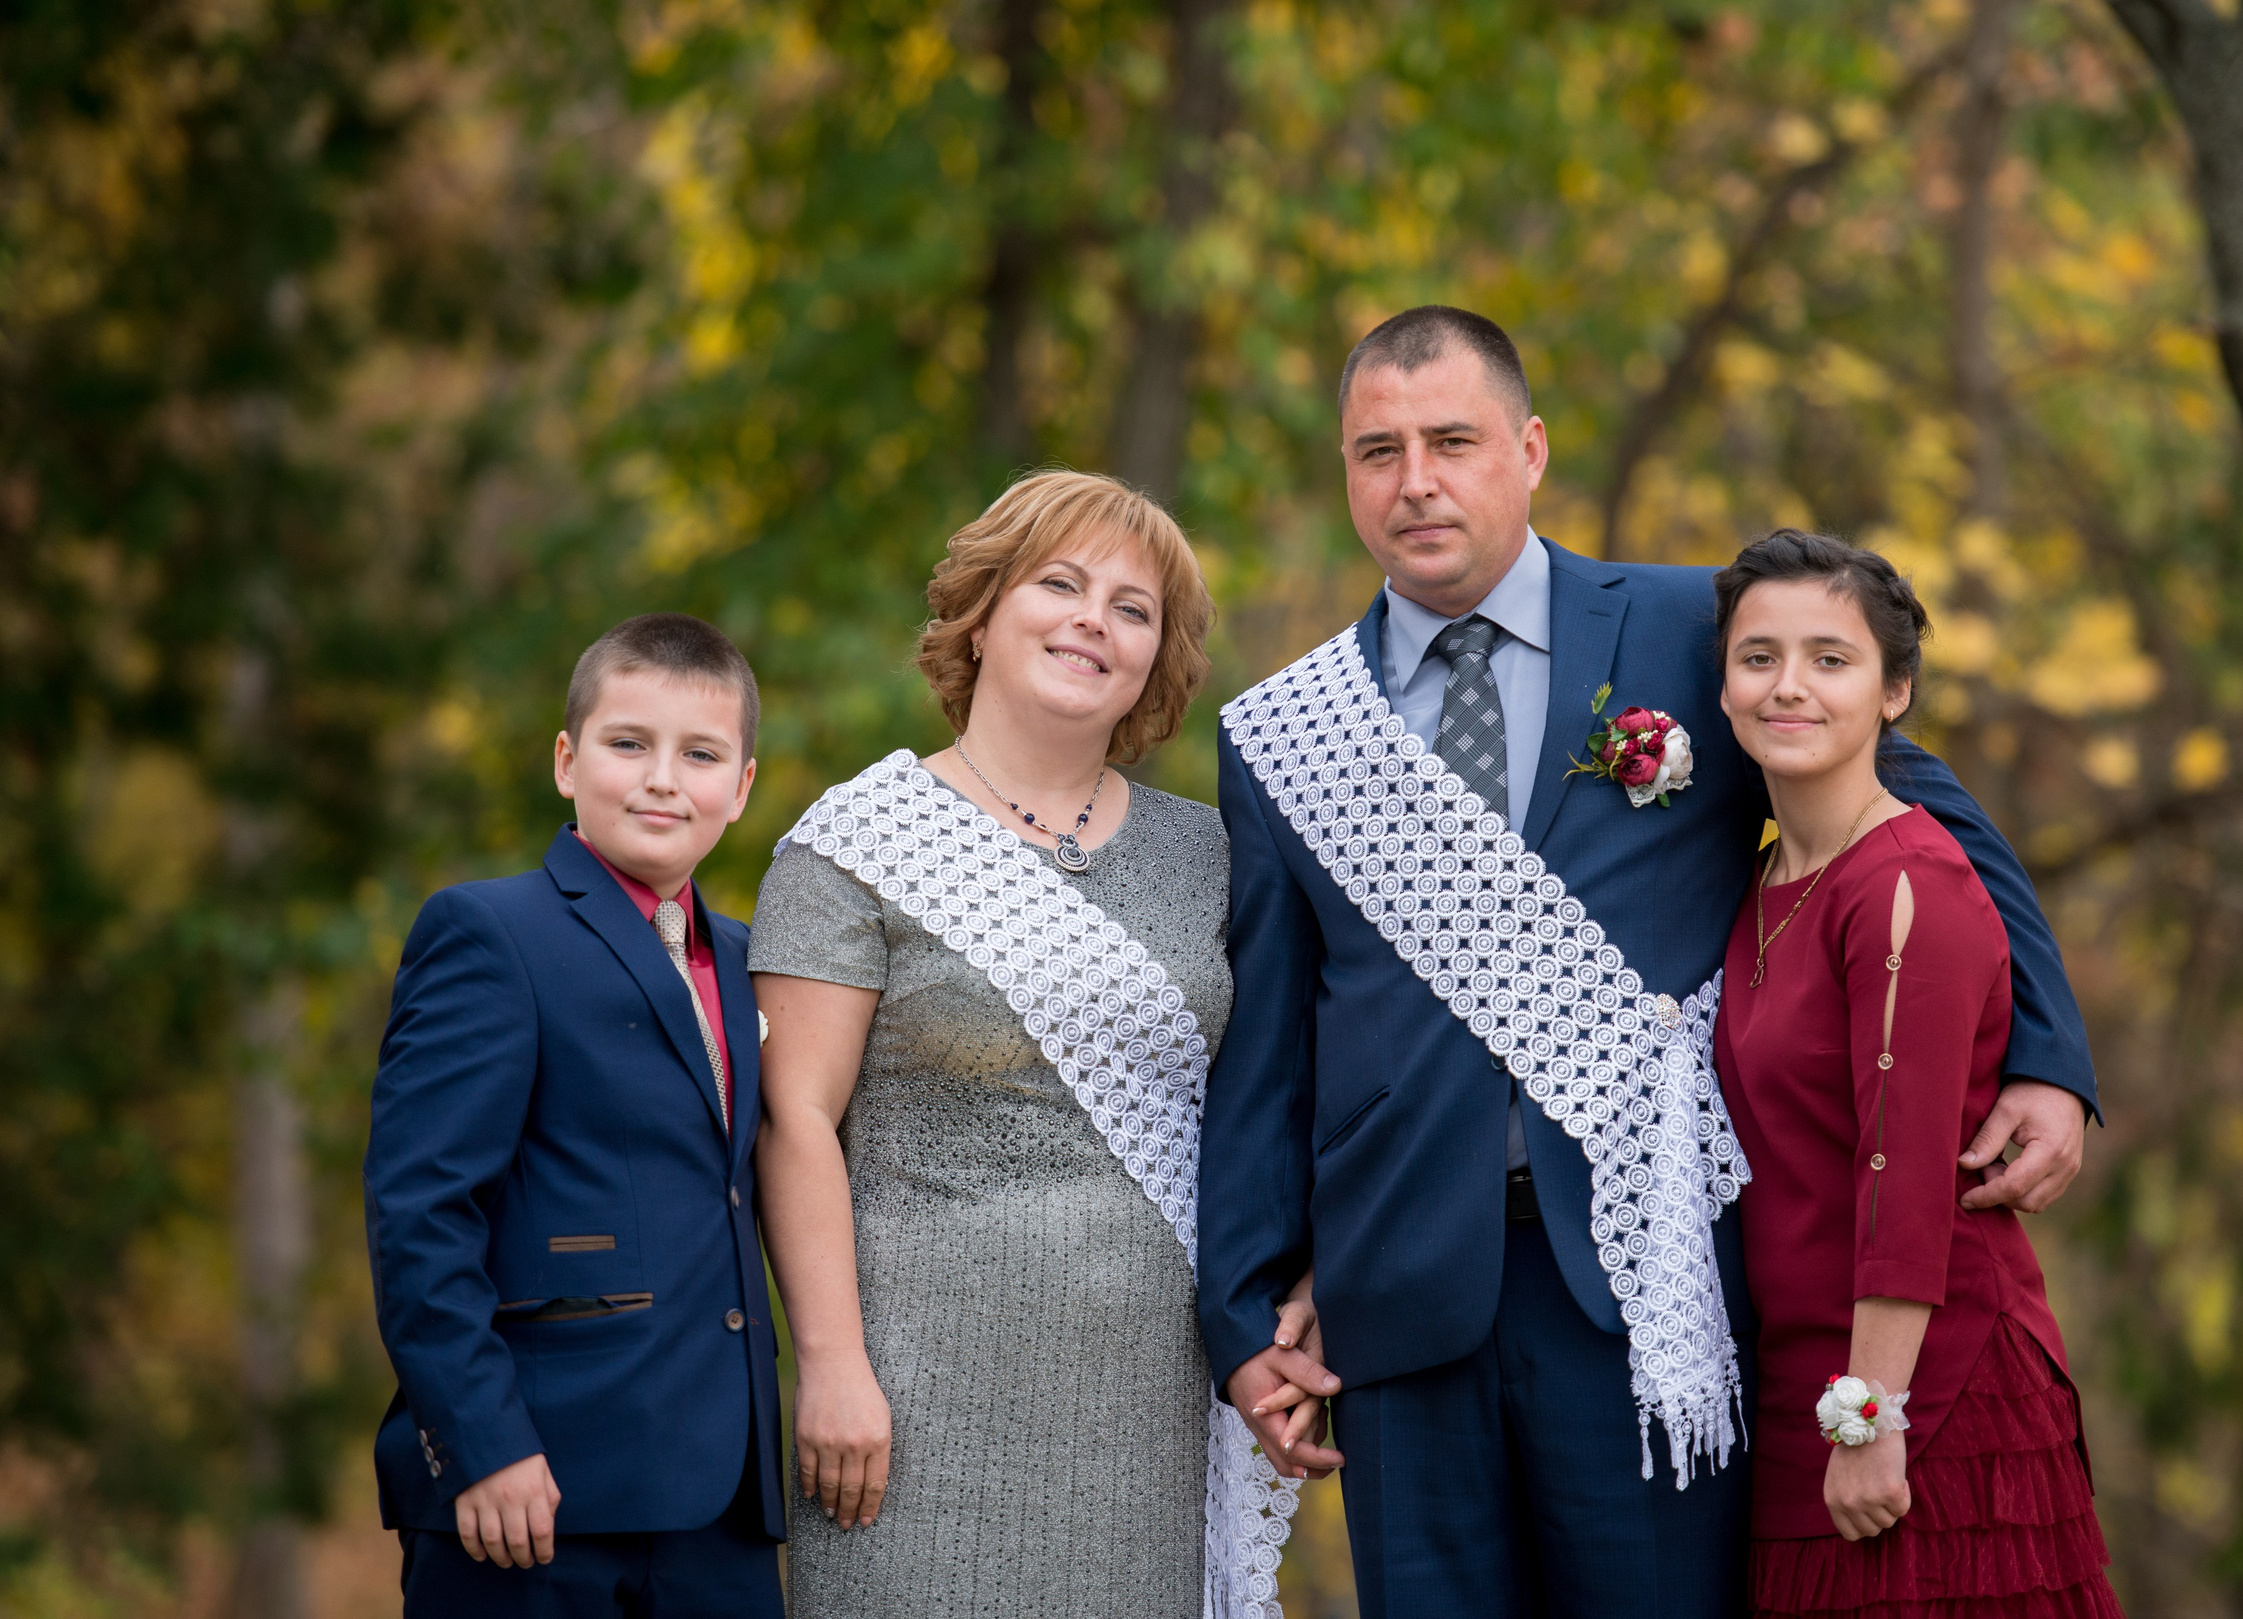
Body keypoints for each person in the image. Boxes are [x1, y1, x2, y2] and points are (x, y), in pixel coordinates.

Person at [1200, 306, 2102, 1618]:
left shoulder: (1693, 629)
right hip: (1399, 1283)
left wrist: (2047, 1054)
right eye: (1378, 451)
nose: (1416, 482)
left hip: (1652, 1272)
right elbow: (1270, 1037)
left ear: (1529, 449)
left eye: (1452, 442)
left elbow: (1921, 815)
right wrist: (1242, 1313)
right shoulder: (1286, 732)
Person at [750, 469, 1327, 1619]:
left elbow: (1283, 1094)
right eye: (1059, 584)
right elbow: (794, 1118)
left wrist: (1306, 1276)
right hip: (907, 1403)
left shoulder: (1213, 856)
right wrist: (831, 1363)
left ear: (1154, 658)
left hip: (1149, 1406)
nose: (1092, 620)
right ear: (981, 614)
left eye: (1131, 607)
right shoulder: (855, 841)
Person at [1711, 530, 2122, 1616]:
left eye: (1830, 659)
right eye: (1758, 657)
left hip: (1920, 1395)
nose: (1788, 685)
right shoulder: (1762, 880)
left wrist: (1869, 1415)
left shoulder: (1907, 887)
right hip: (1799, 1388)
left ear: (1894, 692)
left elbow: (1903, 1180)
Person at [366, 613, 783, 1617]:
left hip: (721, 1499)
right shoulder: (489, 932)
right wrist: (483, 1442)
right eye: (627, 743)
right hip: (536, 1489)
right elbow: (422, 1211)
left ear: (740, 787)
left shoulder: (751, 959)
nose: (661, 779)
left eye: (700, 754)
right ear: (567, 760)